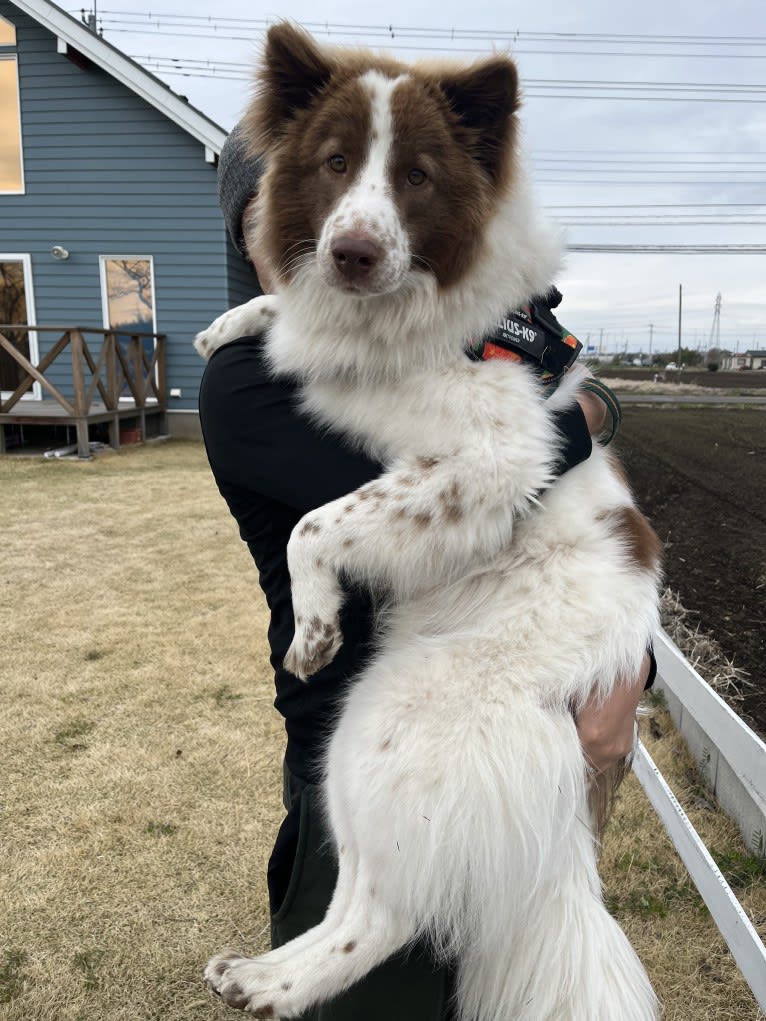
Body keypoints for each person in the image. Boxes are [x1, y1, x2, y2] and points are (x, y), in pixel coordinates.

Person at [198, 127, 654, 1021]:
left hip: (516, 721)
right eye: (274, 213)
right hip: (393, 753)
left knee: (531, 950)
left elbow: (564, 483)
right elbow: (492, 475)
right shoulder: (246, 386)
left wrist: (626, 674)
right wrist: (582, 414)